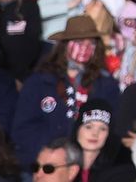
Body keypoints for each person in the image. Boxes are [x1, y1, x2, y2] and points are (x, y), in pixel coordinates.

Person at [17, 15, 123, 159]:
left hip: (90, 163)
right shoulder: (39, 82)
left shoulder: (106, 84)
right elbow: (22, 128)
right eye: (79, 42)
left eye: (91, 43)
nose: (85, 48)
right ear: (65, 45)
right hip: (45, 161)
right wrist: (53, 154)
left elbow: (114, 127)